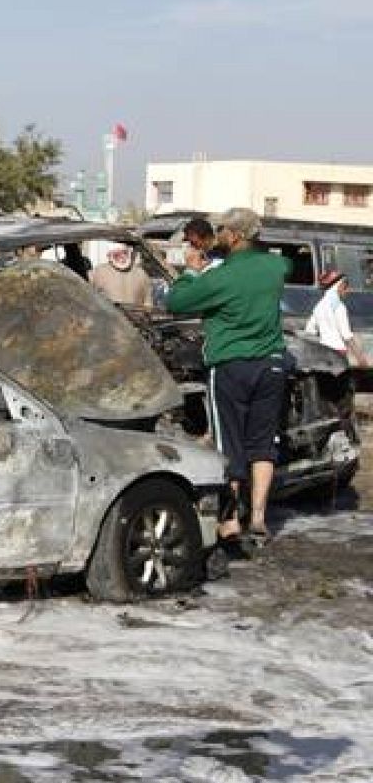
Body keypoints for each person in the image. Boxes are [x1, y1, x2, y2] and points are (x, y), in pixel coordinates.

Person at [166, 207, 289, 544]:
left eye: (222, 230)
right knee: (263, 443)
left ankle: (231, 519)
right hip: (272, 364)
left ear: (234, 236)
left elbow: (176, 301)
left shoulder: (221, 277)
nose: (217, 234)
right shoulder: (275, 267)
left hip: (231, 365)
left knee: (229, 443)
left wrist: (191, 272)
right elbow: (278, 266)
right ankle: (260, 517)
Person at [304, 269, 368, 367]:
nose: (347, 291)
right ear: (338, 286)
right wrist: (361, 359)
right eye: (345, 287)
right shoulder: (339, 307)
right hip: (338, 354)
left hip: (322, 353)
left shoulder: (318, 306)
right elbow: (346, 335)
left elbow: (309, 330)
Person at [89, 243, 153, 307]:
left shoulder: (141, 274)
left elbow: (148, 305)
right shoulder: (98, 272)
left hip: (136, 316)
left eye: (124, 253)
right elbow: (88, 299)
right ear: (109, 257)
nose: (122, 257)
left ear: (130, 253)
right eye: (116, 255)